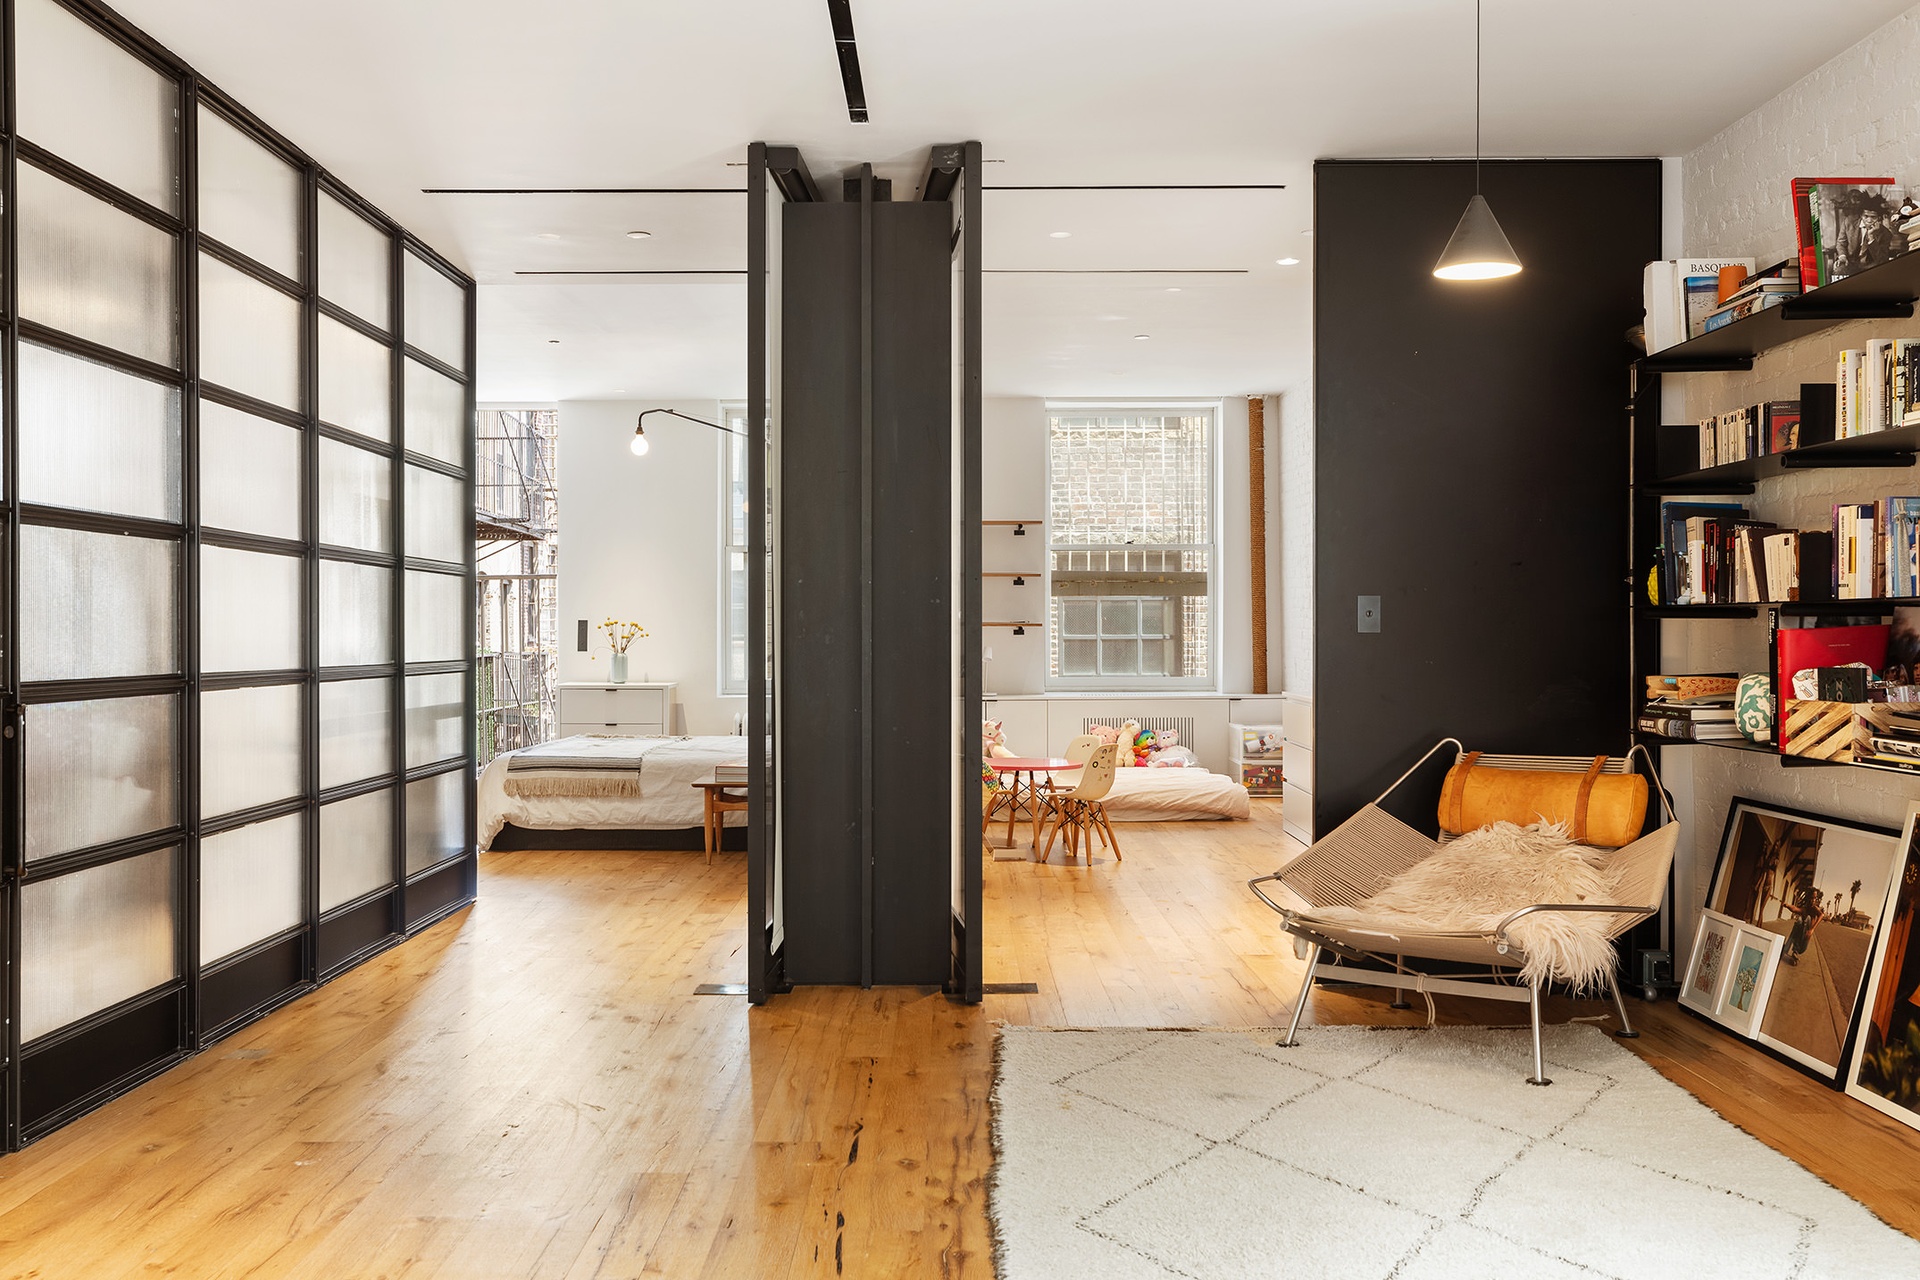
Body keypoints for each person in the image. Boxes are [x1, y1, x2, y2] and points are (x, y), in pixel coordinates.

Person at [1783, 883, 1824, 966]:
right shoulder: (1805, 908)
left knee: (1807, 918)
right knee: (1799, 921)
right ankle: (1788, 950)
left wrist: (1812, 930)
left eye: (1815, 898)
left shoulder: (1814, 908)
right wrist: (1787, 905)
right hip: (1799, 938)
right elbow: (1796, 909)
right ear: (1808, 898)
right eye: (1812, 898)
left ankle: (1796, 951)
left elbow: (1821, 915)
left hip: (1805, 940)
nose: (1813, 900)